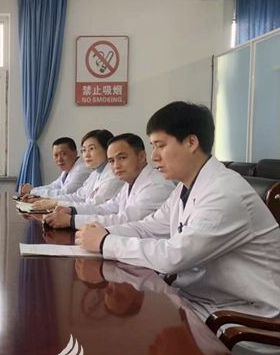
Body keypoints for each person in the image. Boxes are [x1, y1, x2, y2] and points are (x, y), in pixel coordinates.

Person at [77, 101, 280, 320]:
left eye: (160, 145)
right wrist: (104, 233)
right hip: (205, 301)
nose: (154, 156)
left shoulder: (225, 193)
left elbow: (173, 257)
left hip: (245, 315)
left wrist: (105, 243)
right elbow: (149, 227)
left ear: (191, 142)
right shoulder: (185, 187)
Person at [44, 133, 174, 229]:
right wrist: (72, 211)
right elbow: (107, 208)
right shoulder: (129, 182)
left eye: (122, 158)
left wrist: (72, 221)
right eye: (111, 161)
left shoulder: (156, 184)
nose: (116, 166)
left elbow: (126, 220)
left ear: (141, 156)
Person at [32, 129, 123, 210]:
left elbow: (95, 205)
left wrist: (56, 203)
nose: (86, 155)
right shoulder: (95, 173)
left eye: (91, 149)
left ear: (107, 149)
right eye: (84, 150)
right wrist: (49, 200)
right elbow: (79, 196)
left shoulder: (113, 175)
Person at [19, 137, 91, 201]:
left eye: (63, 154)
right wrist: (32, 190)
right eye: (56, 155)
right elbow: (54, 186)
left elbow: (66, 193)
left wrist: (32, 191)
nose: (59, 159)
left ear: (75, 153)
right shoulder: (68, 169)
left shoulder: (82, 169)